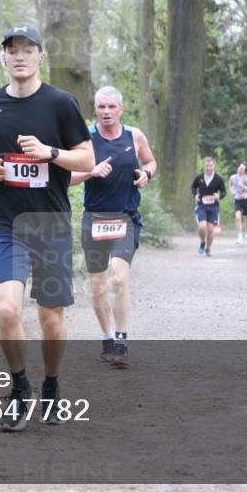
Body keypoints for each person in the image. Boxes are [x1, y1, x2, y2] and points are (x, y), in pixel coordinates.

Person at [0, 24, 95, 431]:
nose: (20, 56)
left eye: (28, 49)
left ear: (41, 56)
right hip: (7, 222)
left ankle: (53, 386)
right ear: (4, 57)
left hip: (50, 224)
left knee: (50, 319)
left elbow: (87, 159)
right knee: (8, 309)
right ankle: (19, 388)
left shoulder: (60, 103)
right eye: (13, 50)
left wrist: (50, 152)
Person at [70, 86, 157, 367]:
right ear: (95, 109)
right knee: (97, 287)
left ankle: (121, 341)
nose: (106, 112)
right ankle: (107, 337)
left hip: (125, 218)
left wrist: (146, 174)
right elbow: (65, 177)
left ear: (121, 109)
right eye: (101, 107)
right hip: (95, 219)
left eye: (111, 107)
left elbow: (150, 161)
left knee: (118, 279)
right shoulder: (85, 140)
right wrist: (90, 171)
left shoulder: (135, 136)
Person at [191, 157, 226, 257]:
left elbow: (224, 192)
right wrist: (195, 195)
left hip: (213, 207)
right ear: (204, 166)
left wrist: (219, 196)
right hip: (201, 205)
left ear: (214, 166)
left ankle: (208, 249)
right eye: (207, 166)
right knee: (202, 226)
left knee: (210, 229)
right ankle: (202, 242)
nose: (208, 168)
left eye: (210, 166)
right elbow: (193, 187)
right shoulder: (199, 177)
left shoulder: (218, 179)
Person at [229, 162, 247, 244]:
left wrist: (243, 186)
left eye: (242, 168)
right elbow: (231, 185)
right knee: (237, 217)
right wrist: (232, 191)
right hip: (237, 199)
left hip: (246, 199)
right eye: (239, 167)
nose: (240, 169)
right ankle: (239, 236)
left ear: (245, 170)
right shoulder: (233, 177)